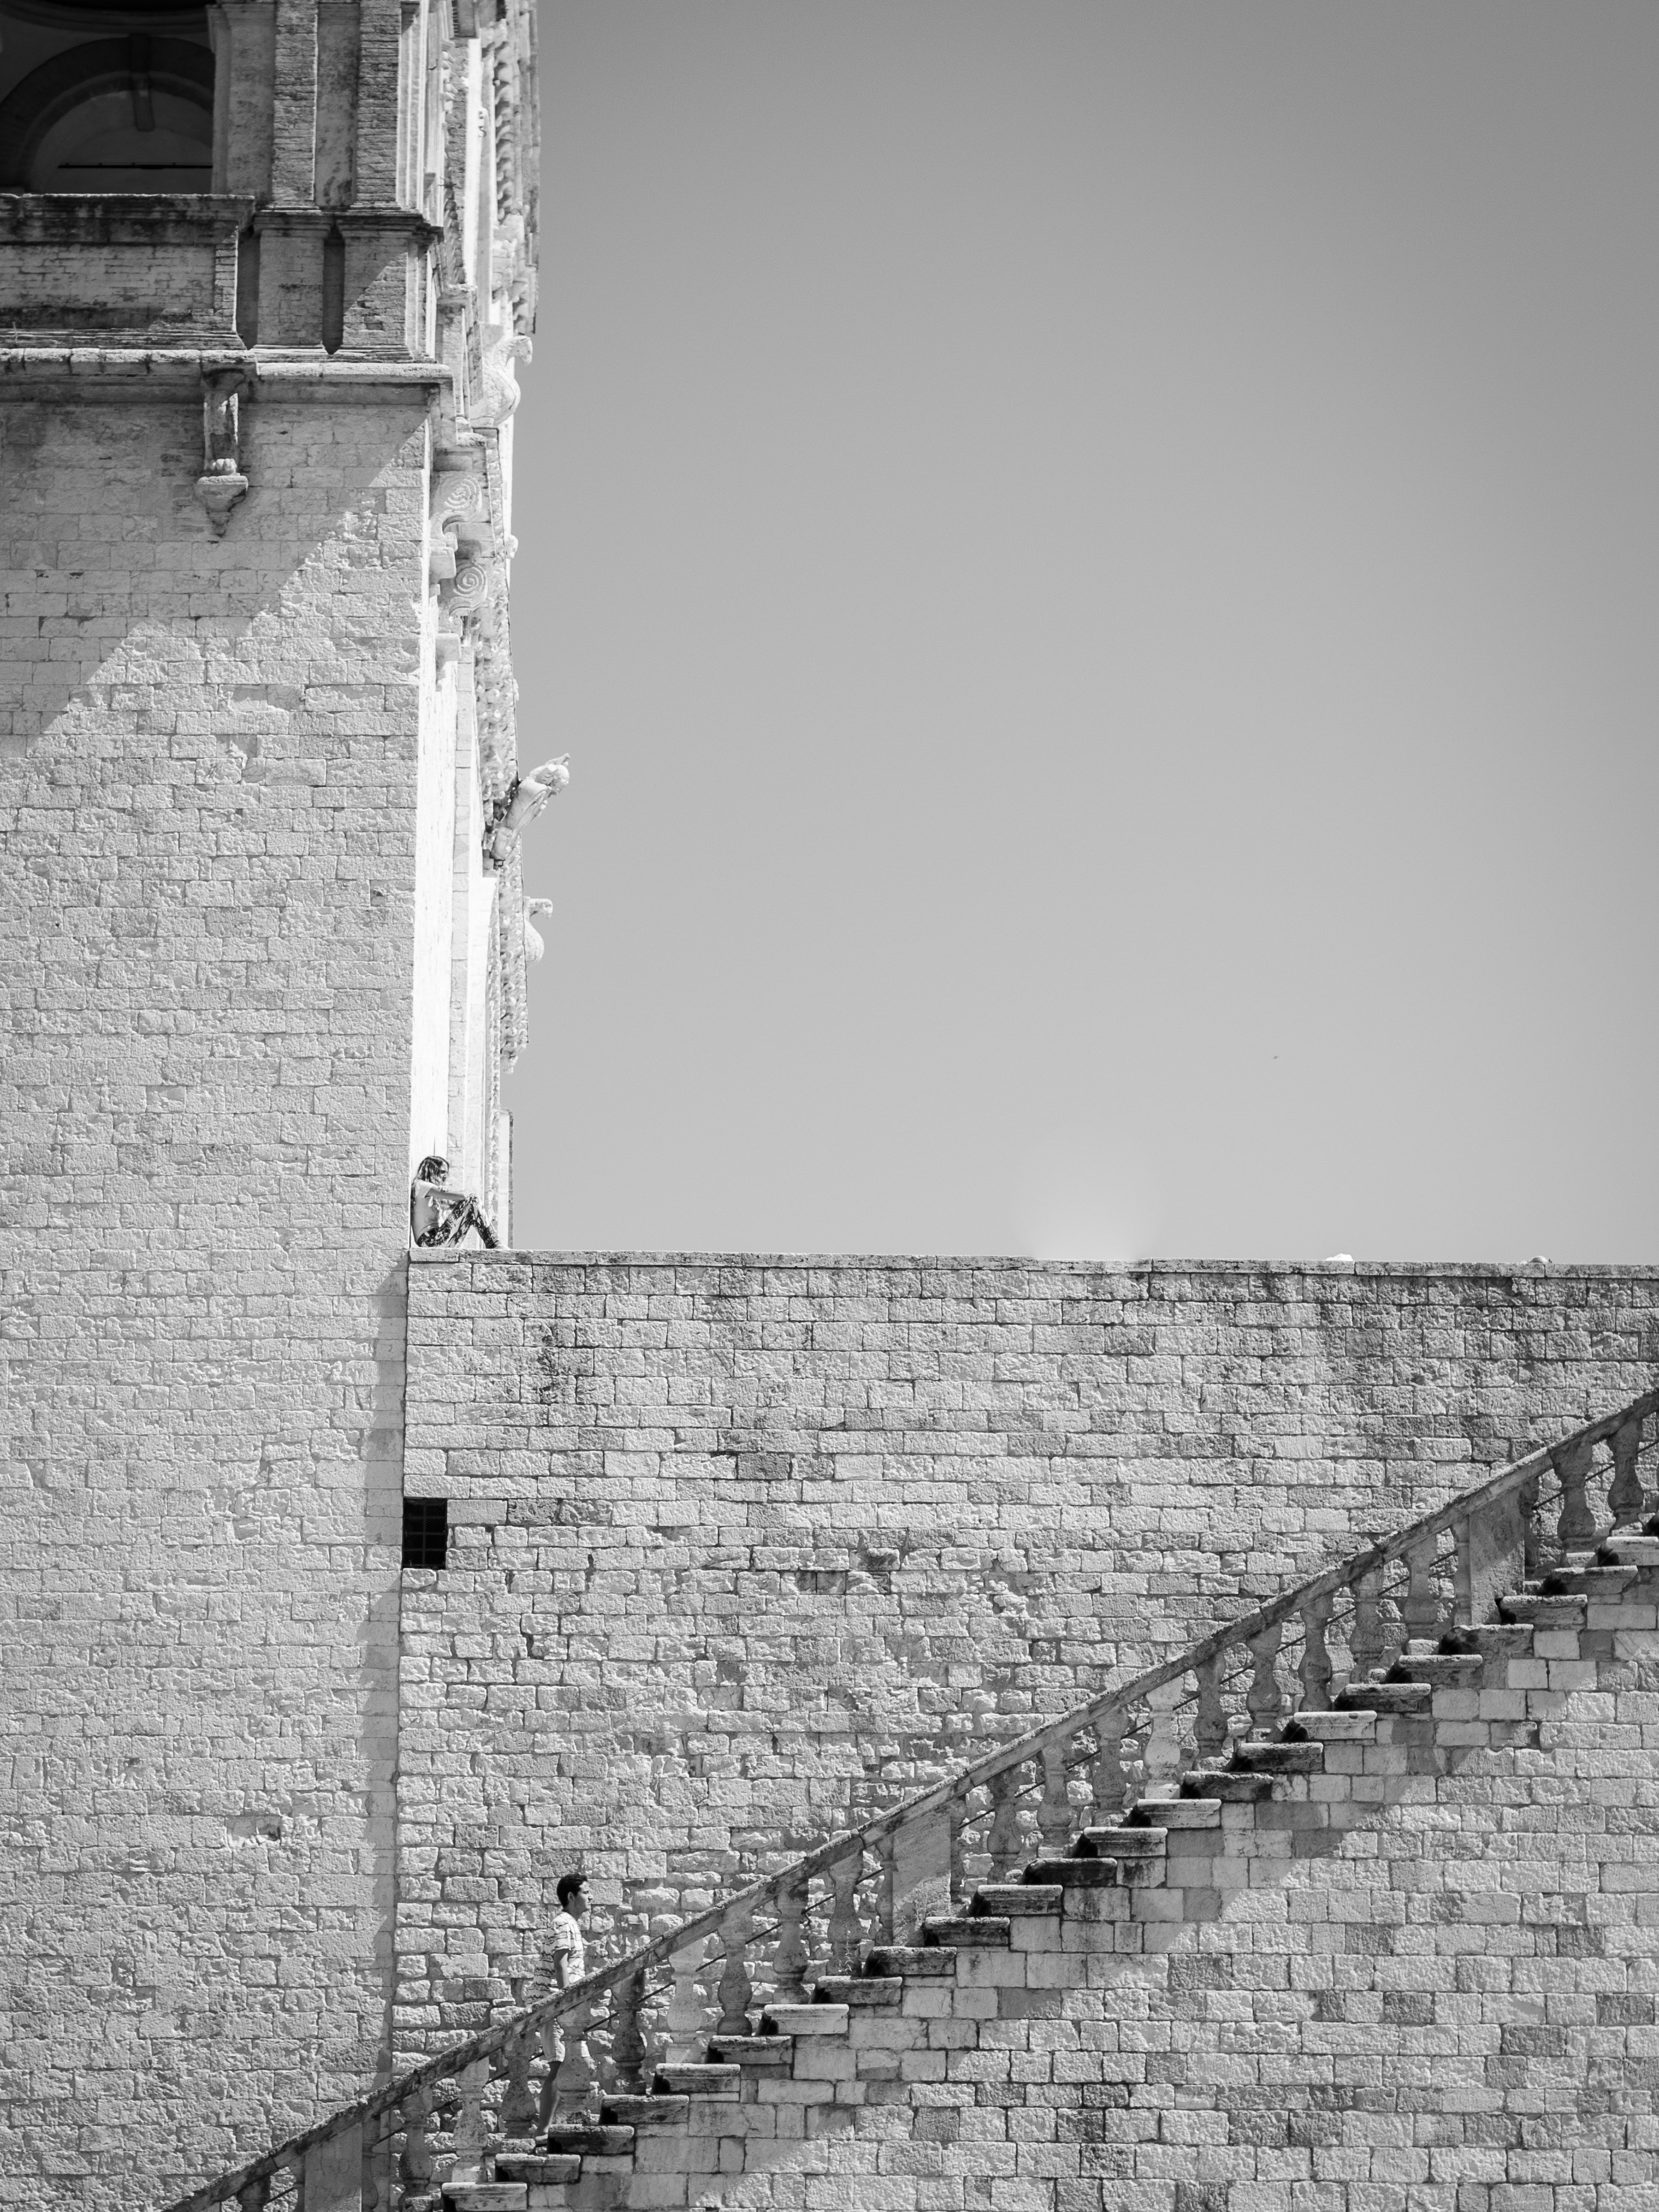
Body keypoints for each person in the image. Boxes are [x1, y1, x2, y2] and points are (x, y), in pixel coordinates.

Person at [538, 1871, 590, 2129]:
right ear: (571, 1896)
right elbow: (561, 1964)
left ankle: (555, 2126)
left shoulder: (569, 1923)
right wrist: (566, 2002)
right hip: (556, 2004)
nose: (590, 1897)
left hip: (559, 2005)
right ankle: (543, 2130)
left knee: (565, 2064)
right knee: (559, 2066)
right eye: (585, 1892)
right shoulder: (563, 1922)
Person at [409, 1155, 499, 1249]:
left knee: (470, 1205)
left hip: (434, 1239)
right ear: (432, 1171)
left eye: (447, 1173)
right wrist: (448, 1192)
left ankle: (493, 1243)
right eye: (443, 1172)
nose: (446, 1176)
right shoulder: (422, 1186)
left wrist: (448, 1196)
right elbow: (464, 1197)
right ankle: (494, 1244)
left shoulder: (428, 1191)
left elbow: (462, 1206)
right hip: (431, 1241)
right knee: (473, 1200)